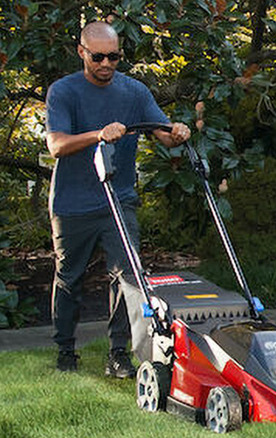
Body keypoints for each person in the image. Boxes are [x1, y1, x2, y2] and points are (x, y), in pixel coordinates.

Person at [45, 21, 191, 377]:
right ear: (82, 52)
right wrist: (99, 134)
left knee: (127, 278)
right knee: (69, 277)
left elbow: (163, 136)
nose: (106, 64)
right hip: (73, 202)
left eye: (113, 56)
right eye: (98, 57)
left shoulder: (134, 92)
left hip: (118, 199)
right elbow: (56, 145)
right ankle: (65, 350)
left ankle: (118, 354)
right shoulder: (63, 92)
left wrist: (178, 132)